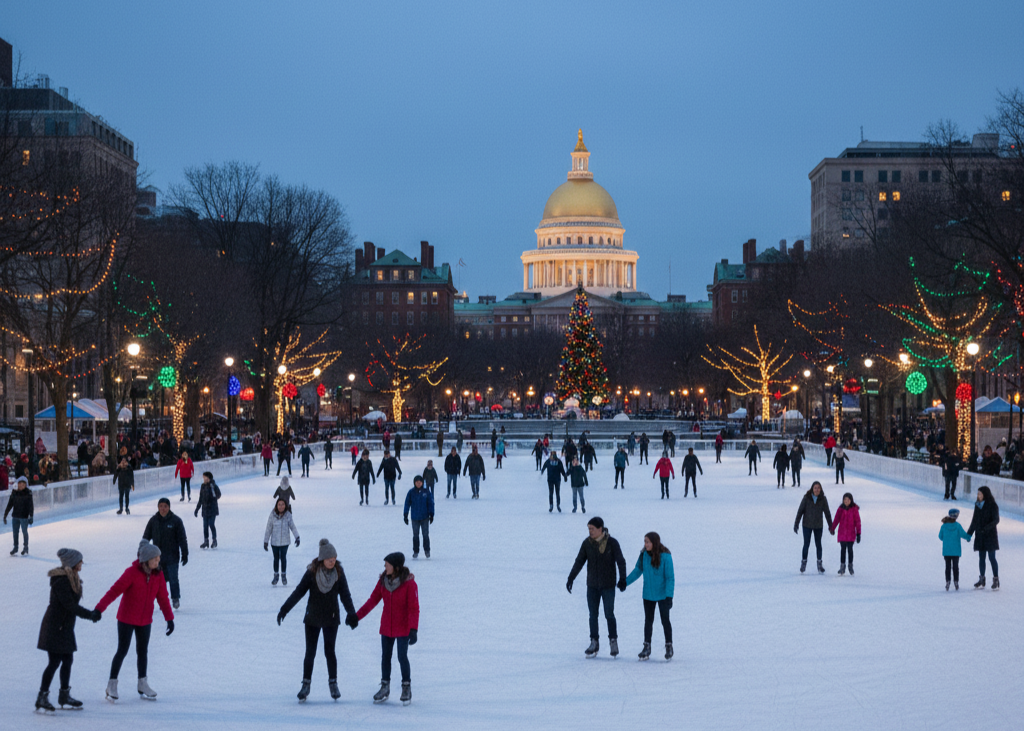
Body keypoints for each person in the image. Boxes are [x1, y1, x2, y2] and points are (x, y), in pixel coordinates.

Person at [277, 539, 358, 702]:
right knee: (310, 652)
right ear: (322, 559)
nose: (332, 561)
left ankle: (333, 683)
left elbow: (345, 595)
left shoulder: (339, 573)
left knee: (330, 651)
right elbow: (299, 592)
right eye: (330, 559)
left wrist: (352, 613)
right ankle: (305, 685)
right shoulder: (312, 572)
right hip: (313, 618)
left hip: (331, 618)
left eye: (334, 558)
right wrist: (284, 609)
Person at [96, 541, 175, 702]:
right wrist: (99, 609)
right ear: (146, 559)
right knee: (122, 650)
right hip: (126, 618)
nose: (158, 561)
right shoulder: (132, 573)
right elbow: (114, 591)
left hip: (145, 619)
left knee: (142, 651)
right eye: (155, 559)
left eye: (159, 558)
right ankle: (112, 684)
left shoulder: (158, 574)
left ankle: (142, 683)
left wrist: (169, 618)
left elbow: (163, 598)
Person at [34, 547, 101, 711]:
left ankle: (64, 695)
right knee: (54, 662)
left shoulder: (73, 578)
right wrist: (90, 615)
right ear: (72, 563)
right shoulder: (61, 581)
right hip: (55, 626)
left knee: (67, 660)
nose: (82, 564)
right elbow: (70, 606)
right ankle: (42, 697)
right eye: (79, 561)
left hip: (64, 627)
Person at [356, 552, 419, 705]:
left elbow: (414, 608)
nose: (384, 567)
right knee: (385, 657)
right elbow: (373, 600)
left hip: (403, 627)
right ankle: (385, 686)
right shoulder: (383, 581)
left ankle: (406, 687)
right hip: (387, 626)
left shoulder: (409, 584)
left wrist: (413, 629)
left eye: (387, 564)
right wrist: (356, 616)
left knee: (402, 657)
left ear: (396, 567)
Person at [566, 517, 627, 658]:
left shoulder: (612, 543)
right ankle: (594, 642)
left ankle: (613, 641)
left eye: (592, 528)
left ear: (600, 529)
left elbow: (620, 561)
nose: (590, 531)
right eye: (588, 529)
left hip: (608, 585)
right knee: (593, 615)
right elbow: (579, 561)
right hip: (592, 585)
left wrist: (622, 579)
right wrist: (571, 577)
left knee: (609, 614)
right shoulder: (587, 543)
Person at [624, 532, 674, 661]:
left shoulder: (666, 556)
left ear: (654, 542)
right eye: (645, 542)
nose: (645, 544)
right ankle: (647, 646)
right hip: (648, 594)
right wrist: (625, 582)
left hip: (663, 595)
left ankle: (669, 645)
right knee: (648, 621)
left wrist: (669, 596)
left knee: (665, 620)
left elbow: (670, 578)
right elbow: (637, 571)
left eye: (648, 542)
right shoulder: (643, 555)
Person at [142, 498, 189, 609]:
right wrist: (142, 552)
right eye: (161, 506)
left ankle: (175, 598)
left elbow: (182, 539)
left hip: (172, 556)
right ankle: (155, 600)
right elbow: (145, 537)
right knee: (156, 580)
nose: (163, 509)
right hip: (156, 558)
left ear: (169, 507)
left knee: (173, 579)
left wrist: (185, 553)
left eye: (165, 506)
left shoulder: (176, 521)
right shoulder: (153, 521)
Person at [794, 481, 833, 574]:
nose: (817, 490)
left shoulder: (823, 499)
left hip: (818, 525)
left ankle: (819, 564)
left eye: (818, 488)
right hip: (807, 525)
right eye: (815, 488)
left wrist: (831, 526)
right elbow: (800, 511)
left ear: (821, 489)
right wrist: (796, 524)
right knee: (806, 544)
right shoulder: (806, 498)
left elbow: (827, 513)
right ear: (812, 489)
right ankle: (803, 563)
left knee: (818, 544)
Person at [967, 486, 1000, 590]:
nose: (978, 496)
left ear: (985, 495)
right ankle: (982, 579)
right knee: (981, 558)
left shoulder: (993, 505)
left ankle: (996, 579)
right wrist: (969, 534)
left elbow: (996, 520)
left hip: (990, 536)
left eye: (980, 494)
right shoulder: (978, 505)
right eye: (978, 494)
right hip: (980, 535)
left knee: (991, 557)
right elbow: (974, 521)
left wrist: (986, 529)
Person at [265, 498, 300, 586]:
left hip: (285, 542)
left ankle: (283, 575)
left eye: (283, 504)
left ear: (285, 505)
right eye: (279, 504)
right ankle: (276, 575)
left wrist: (297, 537)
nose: (281, 506)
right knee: (276, 559)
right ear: (276, 505)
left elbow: (292, 526)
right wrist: (266, 541)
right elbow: (269, 528)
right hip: (275, 542)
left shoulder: (288, 515)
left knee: (283, 558)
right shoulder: (272, 515)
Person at [403, 476, 434, 559]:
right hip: (415, 518)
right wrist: (405, 514)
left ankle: (427, 550)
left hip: (425, 517)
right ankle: (416, 551)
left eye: (420, 481)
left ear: (422, 482)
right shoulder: (411, 492)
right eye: (417, 482)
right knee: (415, 535)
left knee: (425, 535)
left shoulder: (426, 492)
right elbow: (407, 503)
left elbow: (430, 503)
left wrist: (432, 514)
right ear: (414, 483)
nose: (418, 483)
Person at [939, 507, 971, 590]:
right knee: (955, 567)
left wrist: (946, 540)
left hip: (946, 551)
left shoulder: (944, 526)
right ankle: (956, 581)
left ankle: (948, 581)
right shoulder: (957, 526)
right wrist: (968, 537)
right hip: (956, 551)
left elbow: (940, 536)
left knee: (947, 567)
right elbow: (963, 534)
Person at [831, 492, 861, 576]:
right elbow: (836, 519)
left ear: (851, 500)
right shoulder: (840, 509)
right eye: (845, 499)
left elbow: (857, 522)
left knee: (850, 550)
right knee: (843, 550)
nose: (846, 501)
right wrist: (832, 528)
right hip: (842, 533)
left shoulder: (854, 510)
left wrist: (858, 533)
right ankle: (842, 567)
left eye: (848, 500)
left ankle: (850, 565)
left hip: (851, 533)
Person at [4, 475, 33, 555]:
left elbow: (31, 505)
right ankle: (15, 547)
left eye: (23, 484)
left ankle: (25, 547)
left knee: (24, 532)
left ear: (26, 485)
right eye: (20, 484)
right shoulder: (14, 492)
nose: (21, 486)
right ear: (18, 484)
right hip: (15, 516)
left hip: (24, 516)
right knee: (15, 532)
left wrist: (31, 516)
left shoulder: (28, 493)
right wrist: (5, 515)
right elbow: (10, 504)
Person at [193, 472, 221, 549]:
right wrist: (197, 509)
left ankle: (214, 540)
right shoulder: (203, 486)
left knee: (211, 524)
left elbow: (218, 495)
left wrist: (213, 488)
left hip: (212, 509)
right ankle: (206, 541)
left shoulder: (213, 486)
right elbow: (201, 498)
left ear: (209, 478)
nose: (204, 479)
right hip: (205, 509)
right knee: (205, 526)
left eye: (205, 477)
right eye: (203, 478)